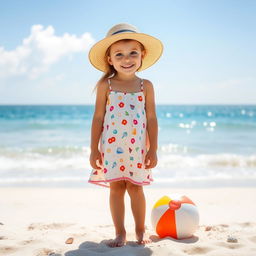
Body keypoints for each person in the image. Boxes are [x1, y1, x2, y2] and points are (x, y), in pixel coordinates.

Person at [88, 23, 163, 247]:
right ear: (110, 59)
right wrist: (94, 149)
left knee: (136, 188)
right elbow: (98, 118)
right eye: (119, 54)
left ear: (142, 55)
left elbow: (151, 119)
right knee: (116, 188)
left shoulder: (145, 86)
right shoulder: (106, 85)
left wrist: (153, 148)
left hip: (137, 148)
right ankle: (120, 232)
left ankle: (140, 230)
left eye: (133, 53)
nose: (126, 59)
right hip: (111, 148)